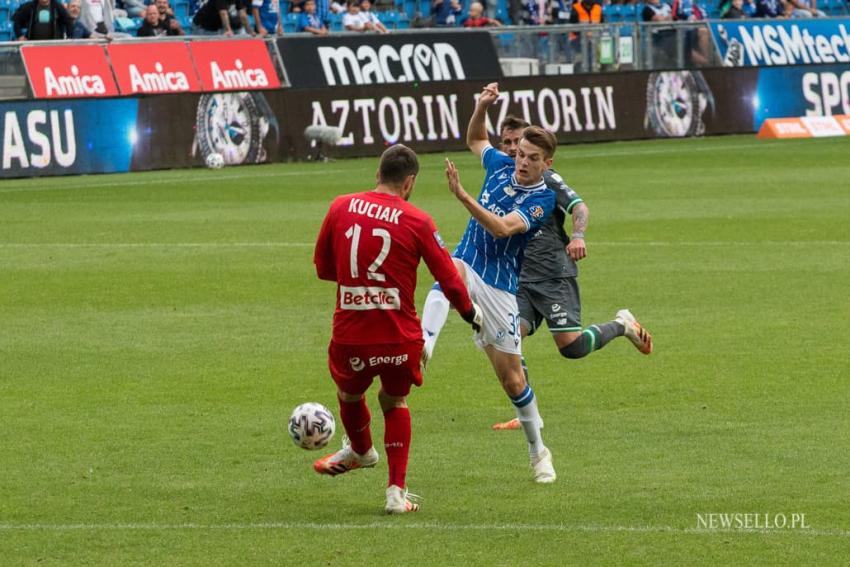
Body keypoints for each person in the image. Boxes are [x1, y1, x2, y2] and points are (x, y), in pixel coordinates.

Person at [312, 144, 483, 515]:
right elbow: (450, 281)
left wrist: (359, 287)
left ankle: (361, 450)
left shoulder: (340, 206)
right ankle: (395, 494)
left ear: (377, 174)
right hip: (399, 337)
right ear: (409, 182)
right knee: (394, 402)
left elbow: (323, 267)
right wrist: (471, 314)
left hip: (351, 334)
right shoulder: (418, 220)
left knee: (349, 393)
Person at [420, 83, 558, 484]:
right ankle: (425, 341)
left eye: (533, 158)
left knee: (513, 380)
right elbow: (475, 138)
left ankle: (538, 451)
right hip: (468, 261)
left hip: (500, 287)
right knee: (450, 270)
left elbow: (501, 228)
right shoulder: (500, 164)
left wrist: (462, 196)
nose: (523, 162)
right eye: (520, 154)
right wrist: (481, 105)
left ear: (546, 164)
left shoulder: (542, 199)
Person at [489, 115, 654, 431]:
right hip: (519, 278)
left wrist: (578, 236)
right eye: (508, 144)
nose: (513, 151)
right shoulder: (502, 179)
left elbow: (579, 207)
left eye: (518, 144)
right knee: (506, 341)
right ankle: (528, 413)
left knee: (572, 348)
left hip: (552, 274)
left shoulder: (548, 180)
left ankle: (622, 325)